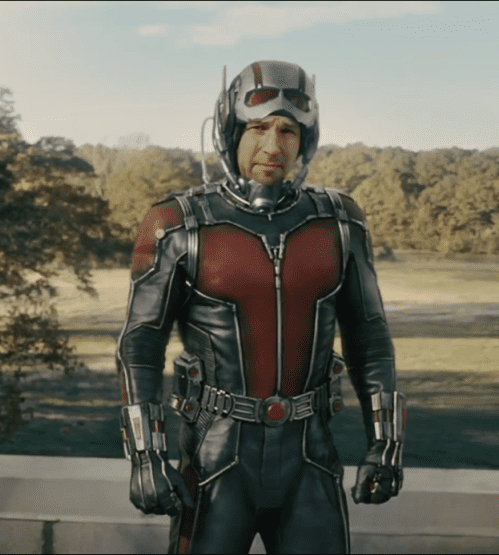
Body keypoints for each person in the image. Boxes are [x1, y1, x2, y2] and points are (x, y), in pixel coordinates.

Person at [115, 60, 405, 554]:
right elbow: (140, 345)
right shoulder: (176, 223)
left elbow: (370, 340)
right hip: (215, 459)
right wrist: (146, 455)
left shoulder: (340, 222)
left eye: (288, 130)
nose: (273, 146)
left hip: (310, 458)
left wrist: (387, 442)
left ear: (306, 138)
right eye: (258, 127)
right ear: (230, 130)